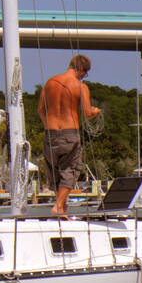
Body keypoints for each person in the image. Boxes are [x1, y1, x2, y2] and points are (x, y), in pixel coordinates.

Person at [38, 54, 101, 215]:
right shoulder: (80, 87)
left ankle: (62, 209)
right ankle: (58, 207)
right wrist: (96, 111)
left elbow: (41, 110)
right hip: (69, 132)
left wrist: (48, 127)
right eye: (84, 73)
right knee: (70, 170)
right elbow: (87, 113)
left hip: (50, 132)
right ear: (81, 69)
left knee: (54, 170)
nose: (83, 76)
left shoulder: (50, 83)